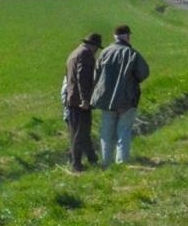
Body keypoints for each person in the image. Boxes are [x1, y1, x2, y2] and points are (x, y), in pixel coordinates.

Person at [91, 25, 150, 165]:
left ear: (114, 37)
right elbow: (144, 73)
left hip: (105, 100)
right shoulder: (132, 53)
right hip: (127, 100)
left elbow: (96, 76)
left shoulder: (104, 52)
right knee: (123, 131)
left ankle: (106, 162)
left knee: (106, 132)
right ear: (128, 36)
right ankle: (122, 162)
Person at [64, 32, 102, 171]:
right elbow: (83, 78)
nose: (96, 51)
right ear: (94, 46)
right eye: (97, 48)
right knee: (80, 133)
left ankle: (92, 159)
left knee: (78, 132)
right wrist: (85, 99)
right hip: (80, 101)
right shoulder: (85, 54)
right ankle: (76, 165)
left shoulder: (73, 53)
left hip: (72, 98)